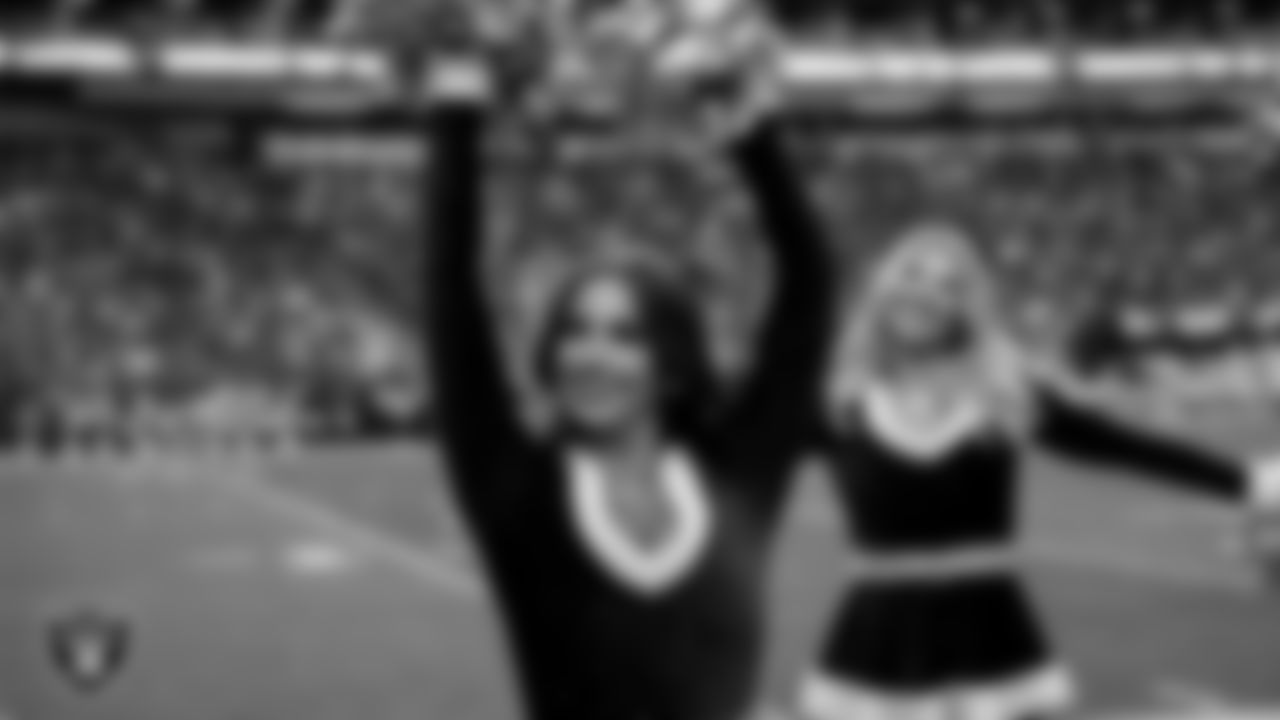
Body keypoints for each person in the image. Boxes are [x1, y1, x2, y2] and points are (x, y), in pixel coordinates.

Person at [422, 58, 832, 720]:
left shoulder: (740, 474)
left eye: (625, 335)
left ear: (671, 363)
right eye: (574, 331)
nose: (591, 353)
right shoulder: (517, 490)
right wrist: (457, 101)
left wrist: (745, 125)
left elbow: (810, 288)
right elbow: (450, 294)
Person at [801, 223, 1280, 720]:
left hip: (995, 647)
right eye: (914, 273)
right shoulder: (839, 403)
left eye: (951, 285)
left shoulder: (1003, 396)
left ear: (968, 309)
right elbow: (735, 463)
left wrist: (1248, 480)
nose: (927, 291)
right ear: (883, 286)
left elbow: (1119, 445)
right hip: (870, 651)